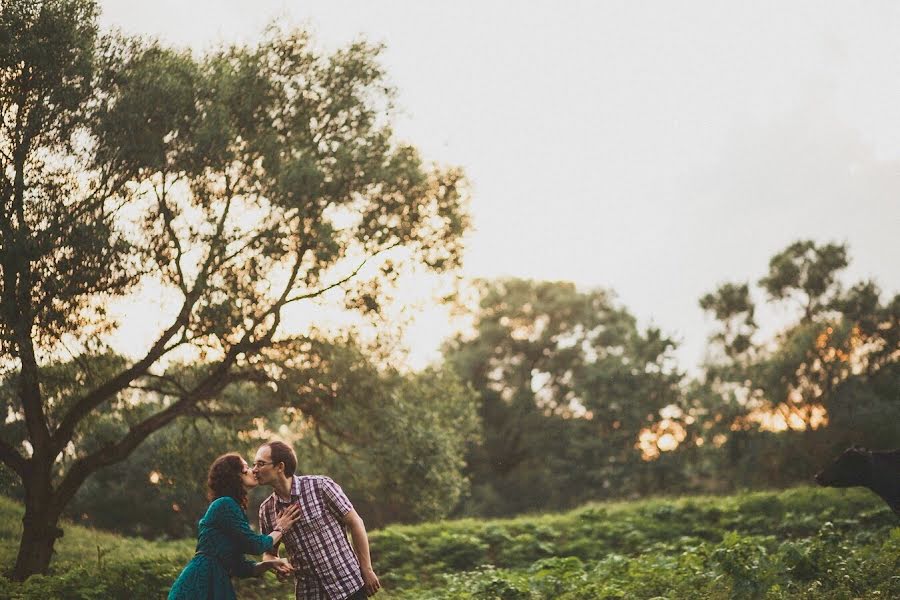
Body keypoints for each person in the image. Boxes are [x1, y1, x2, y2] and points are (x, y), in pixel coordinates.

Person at [253, 440, 381, 600]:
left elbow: (356, 522)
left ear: (280, 466)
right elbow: (269, 553)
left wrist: (367, 569)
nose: (254, 470)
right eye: (254, 464)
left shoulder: (320, 486)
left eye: (260, 464)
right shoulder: (266, 510)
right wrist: (276, 564)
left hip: (349, 586)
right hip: (309, 594)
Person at [168, 453, 302, 600]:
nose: (254, 471)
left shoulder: (233, 507)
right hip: (200, 583)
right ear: (235, 476)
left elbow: (240, 568)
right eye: (247, 468)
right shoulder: (224, 505)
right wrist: (281, 528)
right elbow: (255, 545)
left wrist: (269, 564)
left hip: (217, 581)